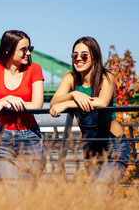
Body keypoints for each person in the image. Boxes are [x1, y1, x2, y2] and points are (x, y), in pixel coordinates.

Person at [49, 36, 130, 183]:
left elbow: (102, 102)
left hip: (113, 144)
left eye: (84, 55)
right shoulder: (71, 78)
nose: (78, 58)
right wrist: (74, 94)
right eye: (74, 55)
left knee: (101, 189)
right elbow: (54, 102)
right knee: (96, 196)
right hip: (91, 147)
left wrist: (68, 103)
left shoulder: (106, 77)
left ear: (94, 56)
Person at [0, 30, 47, 182]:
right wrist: (8, 99)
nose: (28, 54)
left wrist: (4, 104)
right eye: (23, 50)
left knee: (27, 189)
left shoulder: (34, 69)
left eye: (29, 49)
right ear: (8, 50)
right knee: (11, 189)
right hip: (4, 137)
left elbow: (37, 105)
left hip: (30, 137)